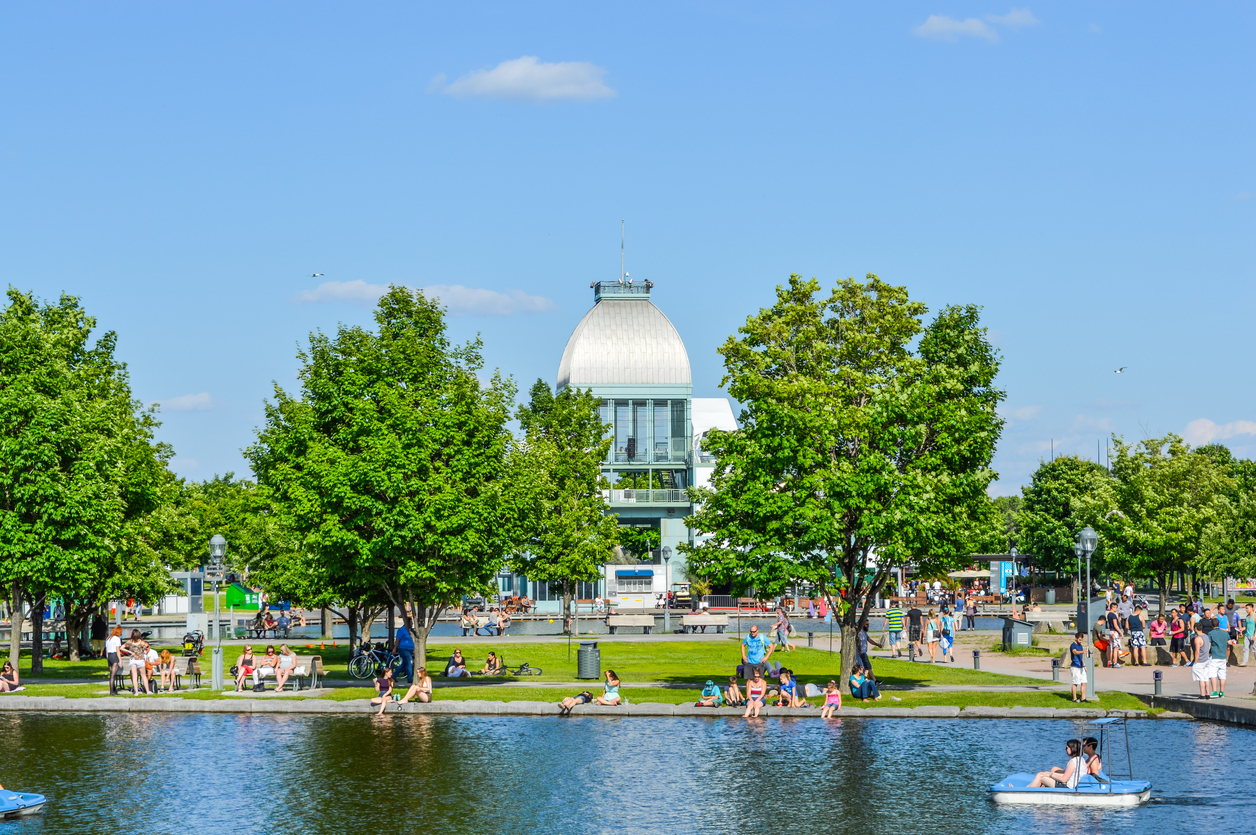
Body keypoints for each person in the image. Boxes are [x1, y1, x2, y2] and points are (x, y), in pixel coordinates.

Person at [1207, 616, 1232, 698]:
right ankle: (1222, 692)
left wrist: (1206, 654)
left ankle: (1214, 691)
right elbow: (1229, 642)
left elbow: (1209, 645)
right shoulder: (1225, 633)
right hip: (1223, 656)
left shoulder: (1210, 633)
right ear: (1219, 624)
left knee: (1213, 674)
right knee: (1222, 675)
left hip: (1214, 656)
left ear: (1212, 625)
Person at [1191, 622, 1214, 699]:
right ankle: (1208, 694)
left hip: (1200, 660)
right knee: (1206, 677)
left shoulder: (1197, 639)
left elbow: (1197, 651)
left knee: (1201, 678)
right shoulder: (1206, 636)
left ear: (1195, 629)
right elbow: (1209, 646)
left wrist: (1195, 661)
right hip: (1206, 659)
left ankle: (1202, 694)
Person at [122, 630, 148, 695]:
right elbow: (145, 651)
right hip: (140, 659)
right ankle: (148, 691)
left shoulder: (130, 642)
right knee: (144, 676)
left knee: (134, 676)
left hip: (133, 659)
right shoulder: (141, 642)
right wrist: (142, 652)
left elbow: (121, 648)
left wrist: (130, 652)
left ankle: (136, 692)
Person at [1068, 632, 1088, 702]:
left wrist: (1084, 665)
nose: (1081, 641)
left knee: (1084, 682)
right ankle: (1074, 698)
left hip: (1081, 666)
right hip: (1075, 666)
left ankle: (1083, 698)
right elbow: (1075, 652)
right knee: (1075, 682)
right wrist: (1082, 651)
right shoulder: (1073, 645)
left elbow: (1081, 657)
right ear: (1076, 638)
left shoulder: (1080, 645)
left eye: (1082, 640)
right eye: (1080, 639)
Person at [105, 626, 123, 695]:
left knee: (112, 674)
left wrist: (108, 658)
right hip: (114, 655)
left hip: (109, 656)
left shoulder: (108, 638)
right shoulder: (117, 639)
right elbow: (118, 650)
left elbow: (106, 650)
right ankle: (112, 691)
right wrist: (120, 660)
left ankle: (113, 689)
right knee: (113, 675)